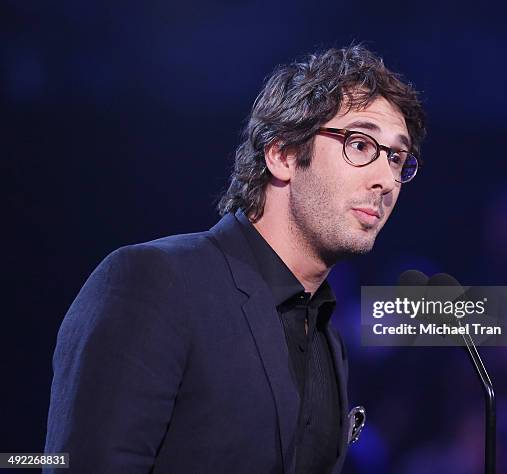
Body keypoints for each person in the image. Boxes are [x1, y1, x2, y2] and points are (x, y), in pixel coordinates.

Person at [44, 44, 426, 474]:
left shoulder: (327, 338)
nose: (386, 180)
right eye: (359, 144)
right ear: (281, 154)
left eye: (397, 158)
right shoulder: (154, 281)